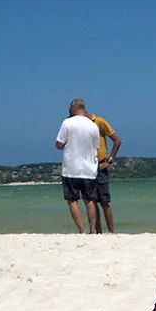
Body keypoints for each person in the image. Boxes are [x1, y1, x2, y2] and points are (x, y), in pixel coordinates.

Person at [55, 98, 101, 234]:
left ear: (73, 109)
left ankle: (82, 230)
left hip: (71, 168)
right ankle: (93, 230)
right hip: (89, 168)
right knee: (90, 200)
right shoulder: (93, 125)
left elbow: (59, 144)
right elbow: (96, 147)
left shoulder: (67, 123)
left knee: (72, 200)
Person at [88, 110, 122, 233]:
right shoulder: (80, 125)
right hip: (87, 166)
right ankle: (98, 232)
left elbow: (117, 141)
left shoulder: (99, 121)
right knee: (92, 201)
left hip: (100, 165)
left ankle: (111, 232)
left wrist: (109, 160)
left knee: (104, 202)